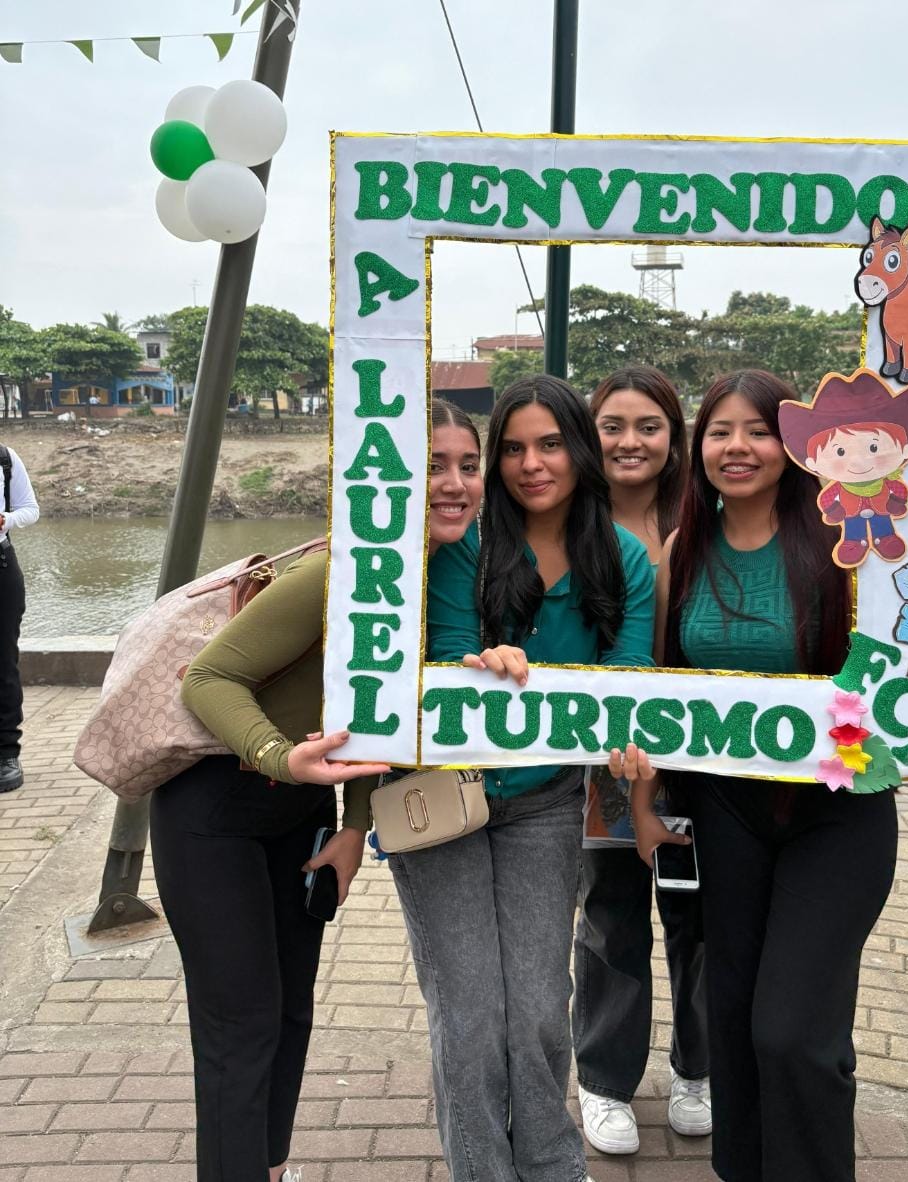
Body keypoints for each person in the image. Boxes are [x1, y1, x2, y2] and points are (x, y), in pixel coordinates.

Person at [613, 369, 908, 1182]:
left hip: (839, 813)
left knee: (794, 1033)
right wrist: (643, 804)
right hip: (726, 814)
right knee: (738, 1020)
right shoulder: (682, 549)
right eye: (719, 432)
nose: (737, 448)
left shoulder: (847, 548)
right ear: (697, 447)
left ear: (794, 445)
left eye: (758, 431)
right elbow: (658, 688)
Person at [159, 398, 483, 1182]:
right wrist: (279, 755)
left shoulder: (435, 578)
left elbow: (377, 719)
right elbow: (208, 678)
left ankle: (268, 1167)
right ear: (388, 480)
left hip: (300, 814)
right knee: (241, 1024)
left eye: (468, 467)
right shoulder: (336, 572)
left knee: (291, 1010)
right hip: (214, 809)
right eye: (431, 466)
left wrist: (352, 826)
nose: (454, 484)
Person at [414, 374, 656, 1182]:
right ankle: (483, 1170)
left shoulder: (623, 558)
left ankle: (552, 1164)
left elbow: (627, 682)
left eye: (550, 444)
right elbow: (444, 656)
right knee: (470, 1012)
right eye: (513, 448)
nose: (531, 464)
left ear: (579, 450)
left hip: (547, 804)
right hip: (443, 800)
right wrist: (478, 663)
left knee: (540, 1007)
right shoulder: (467, 547)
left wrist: (627, 757)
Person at [573, 365, 710, 1154]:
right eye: (613, 426)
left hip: (708, 753)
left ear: (674, 437)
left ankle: (699, 1068)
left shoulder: (711, 516)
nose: (631, 441)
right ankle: (604, 1081)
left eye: (649, 426)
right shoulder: (568, 521)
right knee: (611, 915)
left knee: (702, 914)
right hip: (607, 758)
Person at [0, 443, 39, 793]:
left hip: (1, 569)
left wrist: (6, 519)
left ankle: (6, 754)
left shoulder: (5, 459)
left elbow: (30, 509)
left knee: (3, 665)